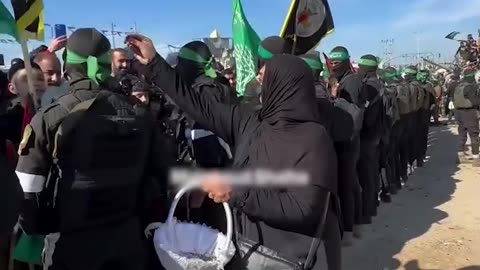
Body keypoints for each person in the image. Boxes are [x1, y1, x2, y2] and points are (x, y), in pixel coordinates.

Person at [127, 34, 340, 270]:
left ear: (286, 86)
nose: (259, 78)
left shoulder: (313, 138)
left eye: (266, 77)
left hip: (287, 258)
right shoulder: (250, 123)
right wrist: (155, 63)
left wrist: (236, 191)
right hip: (245, 248)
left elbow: (304, 208)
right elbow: (197, 104)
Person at [15, 28, 171, 270]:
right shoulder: (140, 114)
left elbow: (26, 192)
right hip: (129, 246)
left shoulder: (51, 117)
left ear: (67, 64)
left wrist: (40, 227)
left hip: (71, 248)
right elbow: (163, 176)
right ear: (108, 64)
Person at [328, 46, 365, 245]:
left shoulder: (352, 82)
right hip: (344, 139)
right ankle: (355, 223)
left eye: (337, 63)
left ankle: (350, 229)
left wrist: (334, 98)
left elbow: (353, 115)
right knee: (350, 182)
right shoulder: (345, 79)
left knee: (347, 184)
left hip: (348, 140)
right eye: (331, 63)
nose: (333, 67)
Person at [356, 55, 387, 220]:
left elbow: (365, 113)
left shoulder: (369, 86)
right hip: (377, 133)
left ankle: (367, 211)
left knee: (366, 173)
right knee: (372, 170)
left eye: (360, 67)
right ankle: (373, 205)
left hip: (368, 135)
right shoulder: (379, 82)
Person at [243, 36, 292, 108]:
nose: (259, 74)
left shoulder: (294, 88)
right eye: (260, 64)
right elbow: (247, 111)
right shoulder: (253, 86)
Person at [381, 67, 404, 194]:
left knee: (388, 159)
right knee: (395, 156)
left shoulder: (387, 92)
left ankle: (391, 185)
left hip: (389, 130)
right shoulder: (396, 90)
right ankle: (397, 182)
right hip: (397, 126)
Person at [453, 68, 480, 166]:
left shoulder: (459, 85)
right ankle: (476, 158)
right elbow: (475, 101)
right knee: (474, 135)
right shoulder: (471, 87)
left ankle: (460, 156)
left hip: (458, 112)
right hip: (469, 112)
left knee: (462, 134)